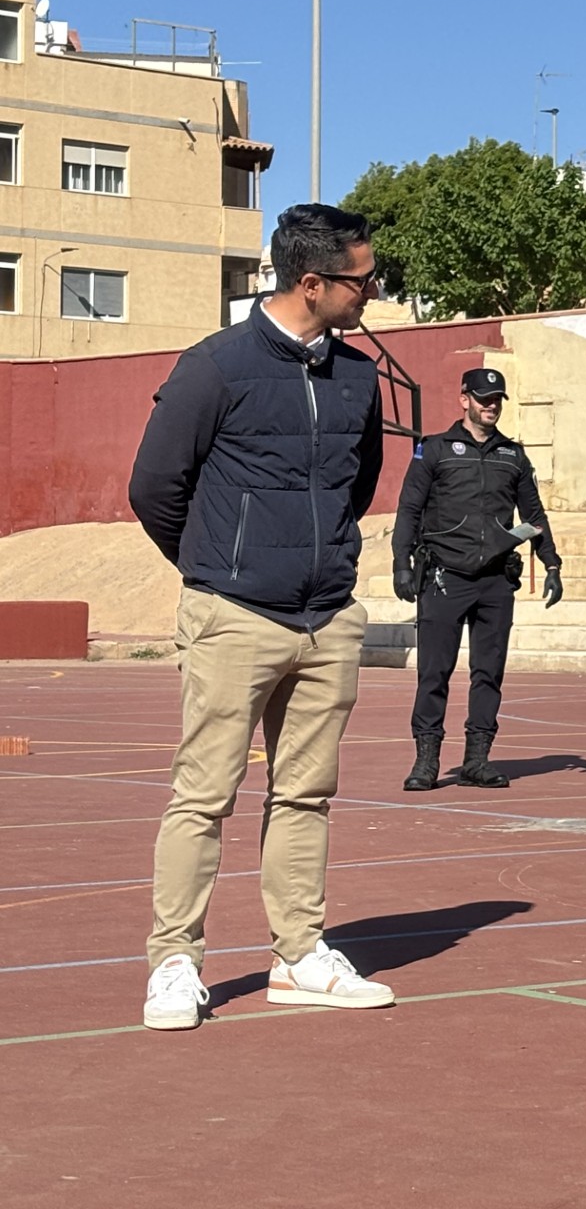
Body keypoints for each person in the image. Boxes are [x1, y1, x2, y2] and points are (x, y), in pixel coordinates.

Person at [128, 204, 395, 1031]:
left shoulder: (359, 377)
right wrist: (219, 571)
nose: (373, 292)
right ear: (311, 283)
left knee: (307, 794)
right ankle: (174, 962)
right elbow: (155, 488)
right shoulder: (216, 367)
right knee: (203, 796)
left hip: (327, 619)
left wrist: (326, 573)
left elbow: (358, 486)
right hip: (233, 614)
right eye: (362, 279)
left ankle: (300, 954)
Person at [391, 367, 563, 791]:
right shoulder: (434, 450)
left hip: (494, 582)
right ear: (463, 399)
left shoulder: (513, 456)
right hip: (445, 577)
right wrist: (402, 563)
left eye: (498, 399)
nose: (491, 405)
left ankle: (477, 759)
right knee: (434, 673)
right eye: (484, 398)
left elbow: (534, 516)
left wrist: (552, 564)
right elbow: (409, 510)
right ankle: (426, 762)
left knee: (488, 673)